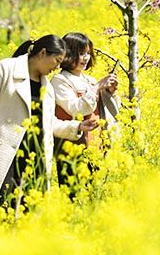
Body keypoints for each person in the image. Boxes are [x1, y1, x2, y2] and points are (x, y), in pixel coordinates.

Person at [0, 34, 100, 211]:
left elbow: (48, 123)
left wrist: (77, 127)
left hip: (34, 155)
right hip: (5, 151)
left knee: (27, 212)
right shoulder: (6, 69)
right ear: (43, 53)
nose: (58, 67)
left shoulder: (47, 87)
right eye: (57, 61)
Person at [50, 32, 121, 191]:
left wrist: (111, 92)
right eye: (81, 53)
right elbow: (75, 108)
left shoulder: (90, 80)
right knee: (73, 195)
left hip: (96, 146)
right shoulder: (60, 81)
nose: (86, 58)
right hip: (72, 148)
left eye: (88, 53)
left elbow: (112, 112)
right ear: (68, 54)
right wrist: (97, 88)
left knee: (94, 195)